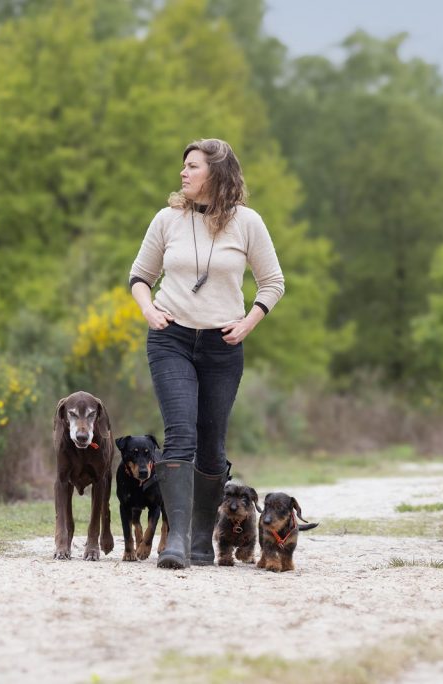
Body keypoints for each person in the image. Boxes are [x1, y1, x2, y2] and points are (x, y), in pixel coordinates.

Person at [128, 138, 285, 569]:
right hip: (171, 339)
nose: (183, 172)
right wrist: (148, 309)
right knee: (180, 434)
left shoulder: (248, 223)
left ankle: (201, 538)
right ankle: (176, 540)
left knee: (212, 446)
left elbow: (273, 282)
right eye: (184, 165)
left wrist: (248, 322)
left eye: (192, 166)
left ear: (217, 173)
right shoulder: (167, 219)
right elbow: (140, 276)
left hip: (222, 346)